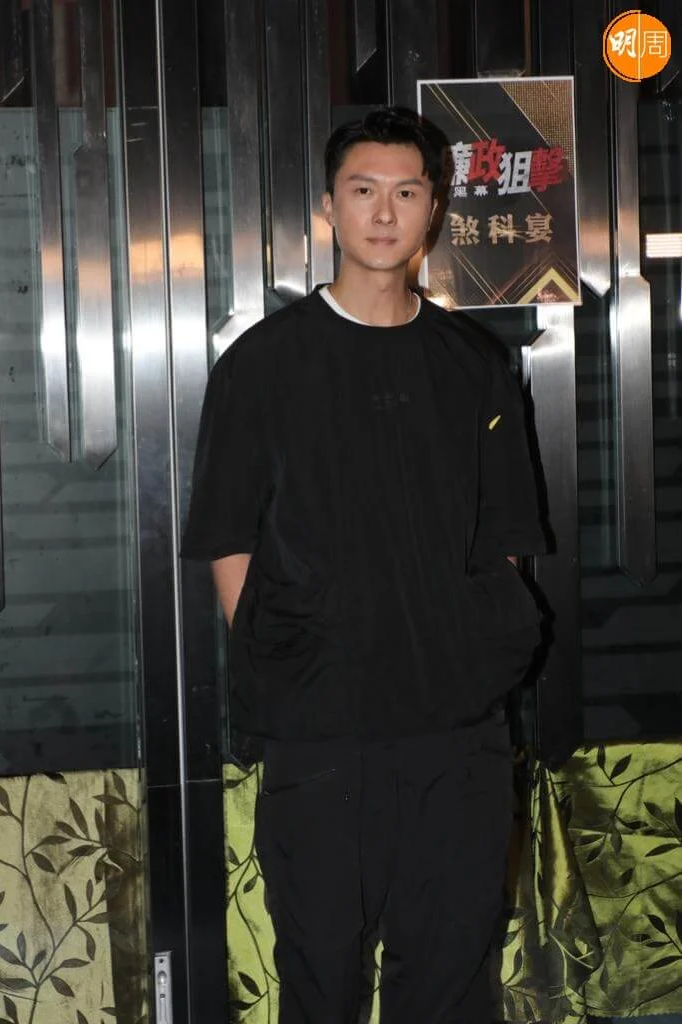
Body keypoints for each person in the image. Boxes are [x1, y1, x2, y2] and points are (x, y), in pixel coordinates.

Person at [182, 107, 546, 1024]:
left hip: (455, 731)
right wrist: (289, 661)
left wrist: (475, 645)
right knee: (320, 977)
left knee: (451, 977)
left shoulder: (471, 363)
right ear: (328, 208)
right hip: (320, 732)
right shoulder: (262, 365)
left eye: (406, 192)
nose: (384, 213)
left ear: (433, 210)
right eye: (362, 190)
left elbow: (506, 532)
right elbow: (227, 536)